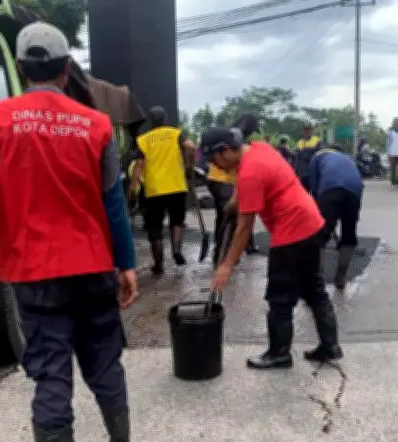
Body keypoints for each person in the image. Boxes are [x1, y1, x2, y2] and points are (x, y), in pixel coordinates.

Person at [0, 22, 138, 442]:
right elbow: (113, 205)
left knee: (51, 374)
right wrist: (128, 266)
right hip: (93, 267)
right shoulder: (97, 125)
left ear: (21, 68)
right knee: (104, 365)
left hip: (33, 273)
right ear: (67, 69)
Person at [204, 126, 343, 369]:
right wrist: (235, 201)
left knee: (280, 296)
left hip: (291, 232)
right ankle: (330, 347)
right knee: (314, 289)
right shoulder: (260, 148)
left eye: (214, 159)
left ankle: (279, 353)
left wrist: (226, 265)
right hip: (311, 223)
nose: (215, 166)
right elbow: (250, 184)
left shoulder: (250, 174)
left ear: (225, 150)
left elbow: (244, 228)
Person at [130, 106, 196, 275]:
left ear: (151, 121)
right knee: (176, 221)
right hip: (176, 187)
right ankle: (176, 250)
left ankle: (159, 265)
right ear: (165, 118)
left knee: (154, 228)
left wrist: (133, 187)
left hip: (154, 190)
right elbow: (190, 147)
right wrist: (189, 168)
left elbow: (138, 164)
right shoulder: (175, 133)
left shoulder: (143, 139)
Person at [307, 144, 364, 289]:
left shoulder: (317, 156)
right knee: (349, 234)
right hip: (355, 190)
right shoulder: (347, 158)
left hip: (331, 188)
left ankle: (317, 279)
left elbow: (313, 189)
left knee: (319, 235)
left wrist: (323, 218)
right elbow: (358, 181)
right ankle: (341, 278)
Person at [205, 115, 261, 264]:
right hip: (223, 180)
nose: (252, 133)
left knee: (223, 216)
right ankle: (223, 255)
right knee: (232, 216)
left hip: (215, 179)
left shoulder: (231, 133)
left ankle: (222, 252)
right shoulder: (236, 135)